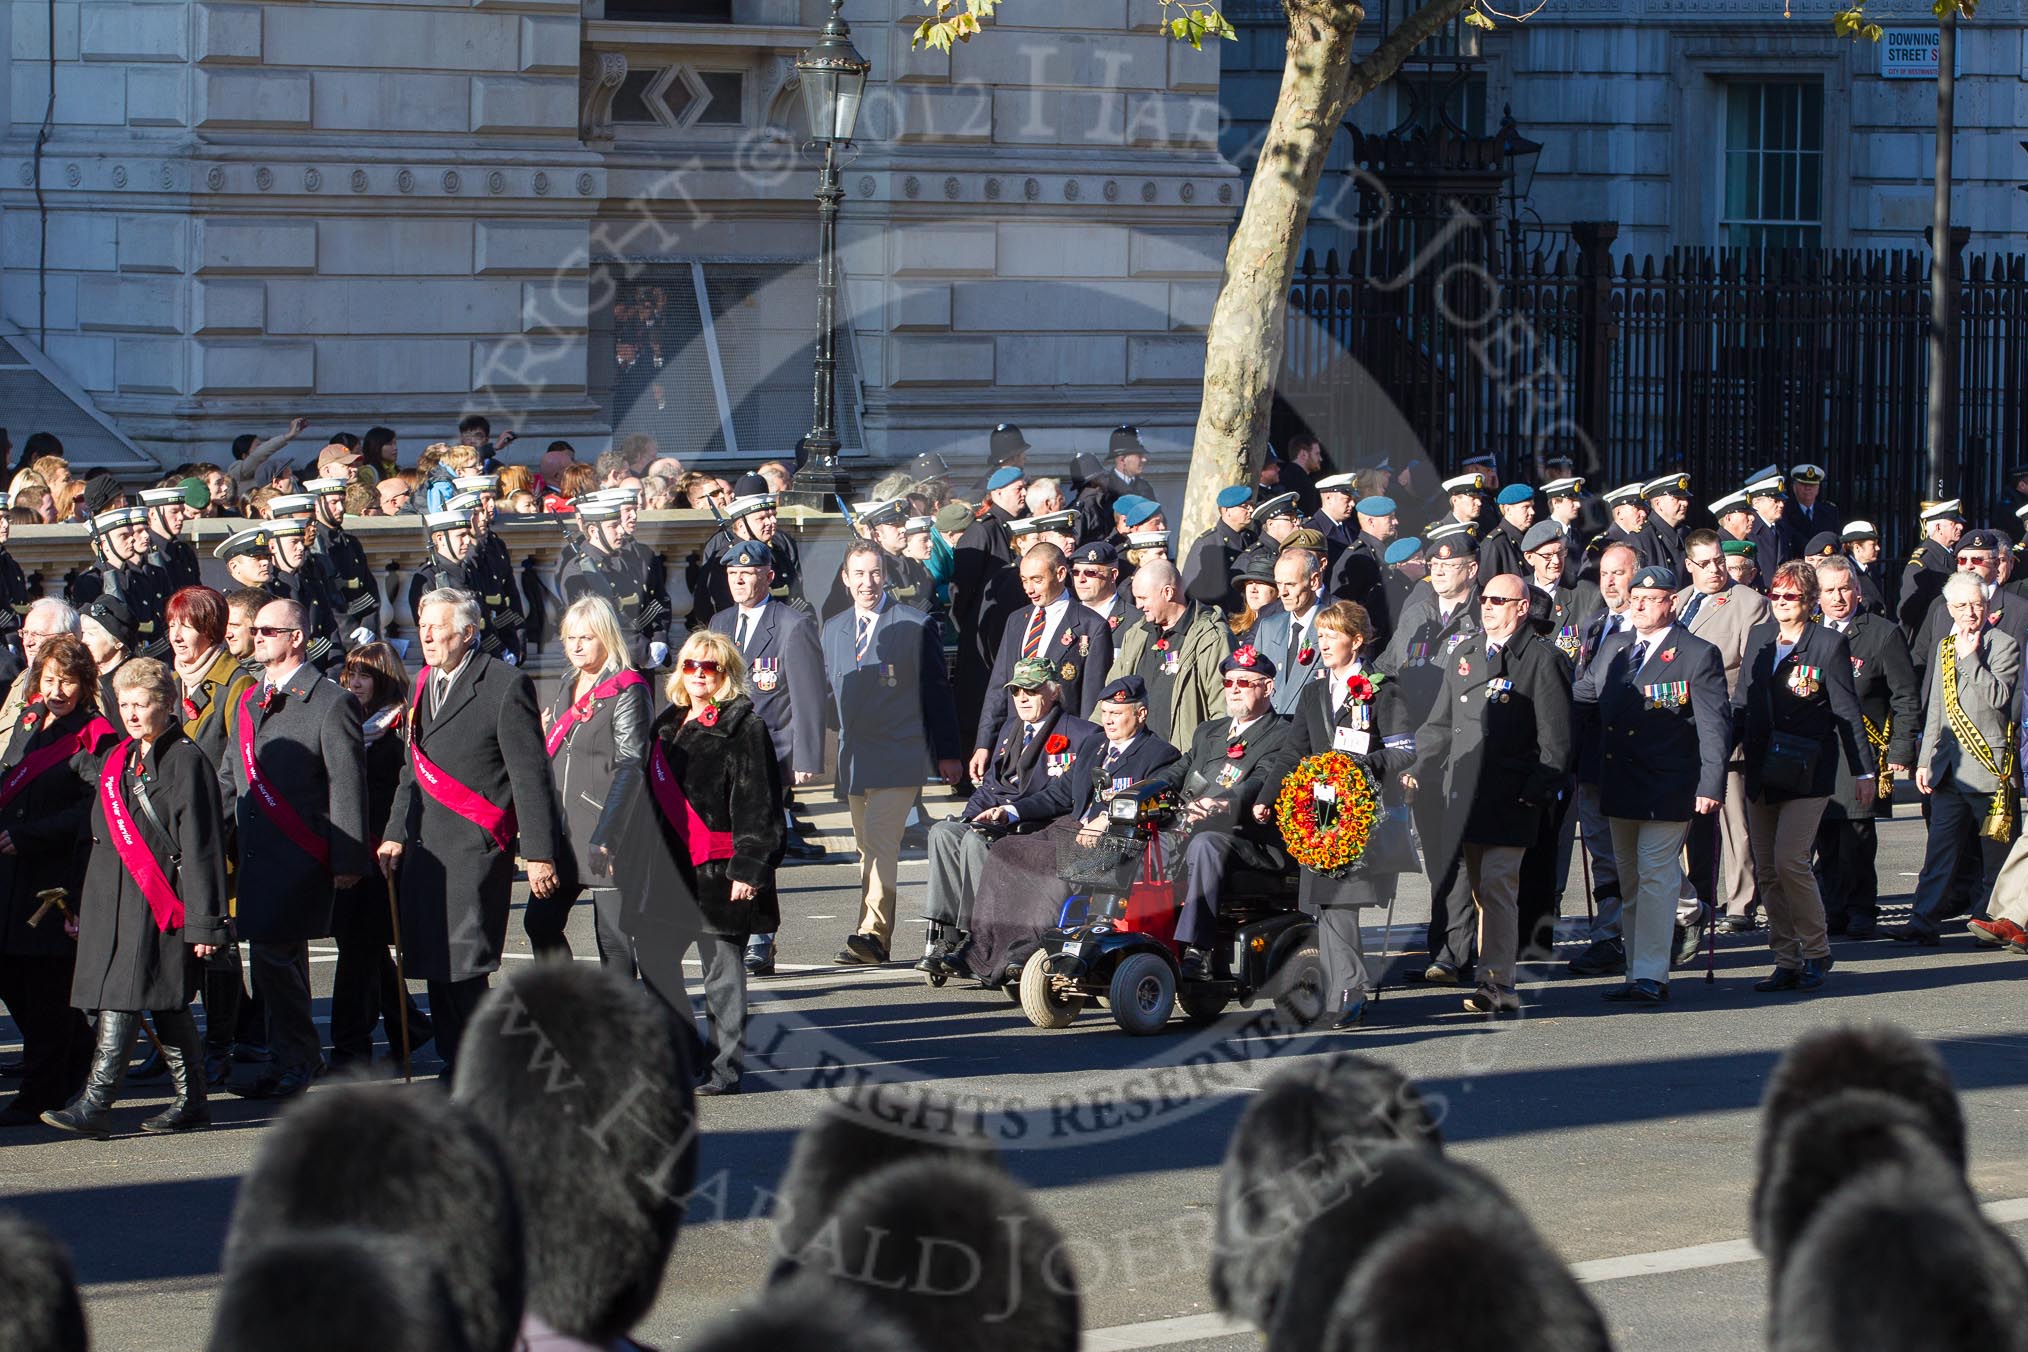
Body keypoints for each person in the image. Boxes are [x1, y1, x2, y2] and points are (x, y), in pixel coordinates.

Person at [378, 588, 565, 1076]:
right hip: (426, 850)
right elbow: (410, 771)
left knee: (465, 964)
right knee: (434, 962)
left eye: (438, 626)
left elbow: (529, 775)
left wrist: (539, 852)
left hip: (474, 847)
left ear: (467, 633)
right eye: (422, 625)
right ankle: (454, 1058)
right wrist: (396, 830)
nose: (427, 633)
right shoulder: (422, 682)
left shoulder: (503, 684)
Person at [43, 658, 228, 1138]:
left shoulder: (186, 760)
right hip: (113, 898)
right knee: (165, 1002)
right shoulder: (120, 756)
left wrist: (206, 923)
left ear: (165, 705)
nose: (131, 713)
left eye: (141, 704)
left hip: (159, 897)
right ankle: (192, 1102)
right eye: (123, 703)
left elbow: (202, 846)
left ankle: (96, 1101)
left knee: (123, 996)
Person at [614, 630, 782, 1096]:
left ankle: (725, 1068)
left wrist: (749, 868)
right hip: (668, 869)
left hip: (720, 868)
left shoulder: (745, 726)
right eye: (689, 665)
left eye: (709, 667)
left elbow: (760, 802)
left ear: (727, 673)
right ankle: (686, 1054)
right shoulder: (667, 723)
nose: (698, 675)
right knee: (654, 958)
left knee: (722, 973)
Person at [217, 598, 368, 1099]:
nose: (255, 637)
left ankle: (299, 1061)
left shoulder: (329, 700)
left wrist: (347, 858)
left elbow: (347, 785)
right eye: (254, 630)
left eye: (267, 630)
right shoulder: (248, 698)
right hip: (257, 852)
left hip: (302, 853)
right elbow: (228, 777)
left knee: (276, 960)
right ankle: (289, 1058)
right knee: (270, 963)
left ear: (297, 637)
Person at [1407, 573, 1572, 1016]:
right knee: (1479, 891)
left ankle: (1498, 983)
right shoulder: (1465, 653)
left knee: (1499, 887)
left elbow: (1556, 741)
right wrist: (1417, 768)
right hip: (1463, 796)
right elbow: (1440, 725)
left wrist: (1533, 793)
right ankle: (1489, 973)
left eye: (1499, 600)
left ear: (1522, 607)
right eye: (1485, 598)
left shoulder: (1541, 660)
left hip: (1512, 796)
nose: (1488, 606)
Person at [1571, 565, 1729, 1004]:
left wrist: (1712, 784)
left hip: (1667, 784)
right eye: (1634, 597)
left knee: (1657, 875)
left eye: (1651, 598)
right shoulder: (1617, 647)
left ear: (1671, 602)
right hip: (1618, 782)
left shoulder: (1697, 653)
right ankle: (1635, 969)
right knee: (1631, 880)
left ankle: (1652, 975)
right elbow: (1582, 695)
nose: (1639, 604)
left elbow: (1714, 725)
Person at [961, 676, 1180, 985]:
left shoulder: (1160, 755)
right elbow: (1059, 795)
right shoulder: (1094, 744)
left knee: (1049, 862)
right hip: (1072, 828)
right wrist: (1009, 811)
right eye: (1104, 713)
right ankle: (982, 947)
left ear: (1141, 714)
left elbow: (1158, 804)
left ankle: (1028, 949)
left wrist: (1109, 818)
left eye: (1116, 713)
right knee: (1004, 848)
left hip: (1117, 845)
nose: (1108, 720)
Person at [1263, 601, 1414, 1026]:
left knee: (1342, 901)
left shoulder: (1383, 688)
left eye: (1332, 635)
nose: (1322, 642)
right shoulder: (1313, 691)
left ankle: (1350, 987)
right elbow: (1295, 751)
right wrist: (1266, 795)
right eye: (1320, 635)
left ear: (1357, 640)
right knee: (1324, 904)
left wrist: (1360, 767)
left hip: (1365, 813)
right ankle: (1342, 989)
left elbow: (1405, 751)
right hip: (1321, 812)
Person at [1732, 560, 1876, 993]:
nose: (1780, 604)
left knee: (1790, 859)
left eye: (1790, 597)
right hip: (1761, 767)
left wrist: (1865, 770)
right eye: (1775, 595)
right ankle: (1785, 958)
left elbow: (1847, 713)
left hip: (1807, 768)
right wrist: (1715, 761)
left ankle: (1817, 951)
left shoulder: (1827, 644)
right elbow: (1742, 703)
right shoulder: (1759, 638)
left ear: (1809, 601)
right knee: (1768, 871)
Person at [916, 657, 1100, 978]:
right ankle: (946, 934)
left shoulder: (1082, 734)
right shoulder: (1010, 729)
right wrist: (969, 816)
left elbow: (1065, 798)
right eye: (1016, 691)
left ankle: (978, 937)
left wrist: (1006, 814)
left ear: (1054, 692)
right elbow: (991, 786)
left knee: (976, 840)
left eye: (1031, 689)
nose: (1022, 698)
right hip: (997, 819)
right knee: (945, 832)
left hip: (1034, 827)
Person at [822, 544, 962, 966]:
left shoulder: (915, 624)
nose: (868, 582)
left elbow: (937, 693)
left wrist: (948, 753)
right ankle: (871, 929)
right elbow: (830, 693)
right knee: (867, 846)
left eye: (876, 573)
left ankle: (873, 935)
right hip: (855, 759)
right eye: (859, 574)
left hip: (900, 754)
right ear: (845, 579)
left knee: (882, 841)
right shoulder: (833, 628)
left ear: (887, 576)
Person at [0, 636, 116, 1127]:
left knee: (46, 985)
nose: (57, 689)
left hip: (56, 877)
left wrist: (28, 835)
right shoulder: (28, 721)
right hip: (11, 875)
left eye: (68, 680)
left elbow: (93, 810)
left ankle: (39, 1090)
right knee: (11, 975)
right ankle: (73, 1062)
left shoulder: (94, 734)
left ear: (85, 683)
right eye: (49, 679)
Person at [1893, 571, 2022, 946]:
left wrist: (1970, 658)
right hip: (1949, 766)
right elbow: (1937, 709)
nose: (1971, 612)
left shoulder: (2003, 645)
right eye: (1963, 605)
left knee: (1995, 853)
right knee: (1939, 852)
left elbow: (1998, 699)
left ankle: (1988, 920)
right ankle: (1922, 921)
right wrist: (1924, 759)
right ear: (1950, 608)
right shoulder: (1945, 647)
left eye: (1978, 605)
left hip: (1989, 768)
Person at [706, 540, 828, 912]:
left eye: (748, 573)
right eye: (733, 574)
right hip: (723, 752)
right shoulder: (720, 622)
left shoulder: (792, 625)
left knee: (757, 841)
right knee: (726, 839)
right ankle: (734, 918)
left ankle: (760, 935)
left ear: (769, 576)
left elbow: (809, 697)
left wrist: (805, 756)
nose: (739, 581)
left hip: (770, 750)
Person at [328, 643, 429, 1074]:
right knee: (363, 949)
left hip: (383, 851)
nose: (354, 683)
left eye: (364, 675)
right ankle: (413, 1025)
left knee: (358, 951)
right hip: (354, 847)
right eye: (350, 674)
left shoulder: (397, 729)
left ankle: (351, 1047)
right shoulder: (351, 723)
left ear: (384, 679)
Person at [1811, 556, 1918, 940]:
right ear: (1816, 594)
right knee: (1823, 835)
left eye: (1845, 588)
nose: (1838, 598)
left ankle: (1860, 909)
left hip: (1861, 753)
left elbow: (1905, 696)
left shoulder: (1882, 634)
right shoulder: (1805, 631)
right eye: (1829, 590)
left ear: (1857, 589)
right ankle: (1831, 908)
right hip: (1816, 753)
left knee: (1856, 837)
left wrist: (1901, 750)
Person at [542, 596, 649, 972]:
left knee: (613, 940)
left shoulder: (627, 689)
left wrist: (608, 834)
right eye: (570, 637)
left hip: (605, 828)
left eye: (586, 637)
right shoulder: (568, 682)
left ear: (606, 637)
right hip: (563, 829)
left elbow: (631, 765)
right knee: (539, 923)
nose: (576, 645)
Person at [1674, 527, 1771, 940]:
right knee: (1687, 823)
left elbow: (1751, 676)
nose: (1716, 569)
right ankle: (1698, 899)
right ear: (1689, 565)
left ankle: (1741, 901)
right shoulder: (1678, 601)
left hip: (1727, 725)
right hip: (1679, 727)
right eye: (1706, 563)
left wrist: (1734, 727)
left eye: (1720, 561)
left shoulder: (1750, 604)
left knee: (1734, 822)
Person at [1172, 646, 1291, 979]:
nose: (1234, 689)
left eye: (1244, 682)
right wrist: (1138, 792)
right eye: (1228, 683)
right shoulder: (1209, 731)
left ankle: (1199, 949)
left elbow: (1263, 779)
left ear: (1267, 688)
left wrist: (1221, 803)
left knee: (1206, 843)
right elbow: (1179, 769)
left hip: (1249, 839)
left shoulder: (1282, 734)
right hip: (1190, 826)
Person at [973, 543, 1112, 766]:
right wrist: (984, 743)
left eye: (1037, 580)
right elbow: (999, 685)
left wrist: (1086, 752)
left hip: (1061, 744)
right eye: (1024, 580)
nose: (1029, 589)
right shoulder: (1017, 620)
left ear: (1060, 574)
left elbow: (1091, 698)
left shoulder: (1090, 625)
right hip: (1016, 740)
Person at [1107, 558, 1232, 746]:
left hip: (1182, 759)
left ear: (1168, 592)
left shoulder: (1212, 636)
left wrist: (1209, 757)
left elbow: (1223, 707)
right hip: (1136, 757)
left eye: (1143, 598)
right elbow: (1110, 694)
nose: (1138, 605)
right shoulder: (1136, 634)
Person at [1251, 548, 1327, 716]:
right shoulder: (1268, 627)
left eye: (1291, 584)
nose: (1282, 593)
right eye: (1279, 584)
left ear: (1314, 581)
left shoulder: (1334, 627)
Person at [0, 598, 81, 743]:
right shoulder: (22, 679)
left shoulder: (82, 687)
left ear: (68, 639)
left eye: (37, 635)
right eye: (25, 633)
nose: (27, 642)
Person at [1183, 485, 1254, 613]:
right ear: (1227, 511)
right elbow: (1195, 592)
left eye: (1251, 505)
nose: (1251, 510)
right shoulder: (1208, 542)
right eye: (1245, 506)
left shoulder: (1251, 537)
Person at [1900, 499, 1964, 637]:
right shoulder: (1922, 562)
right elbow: (1908, 612)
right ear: (1938, 528)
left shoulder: (1952, 555)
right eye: (1954, 523)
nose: (1960, 527)